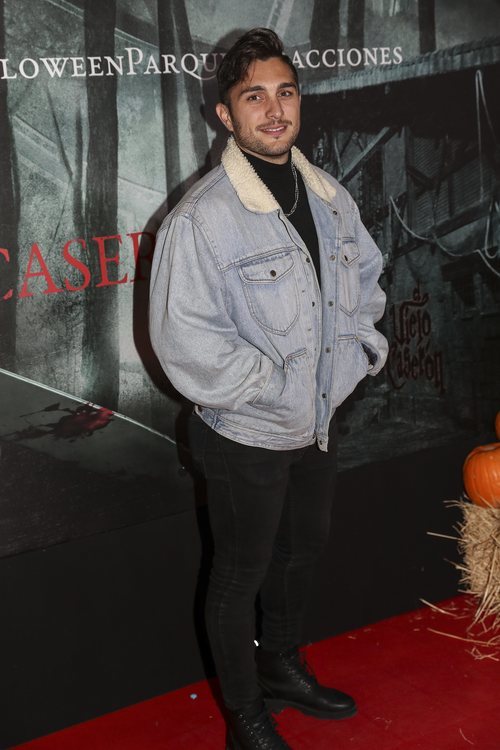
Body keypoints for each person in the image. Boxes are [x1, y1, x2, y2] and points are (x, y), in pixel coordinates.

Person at [150, 28, 388, 750]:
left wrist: (357, 356)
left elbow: (365, 282)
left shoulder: (330, 196)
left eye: (285, 92)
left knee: (300, 553)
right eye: (254, 96)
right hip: (245, 431)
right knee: (239, 576)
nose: (275, 110)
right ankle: (245, 716)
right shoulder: (201, 219)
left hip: (317, 421)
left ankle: (280, 666)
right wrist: (275, 386)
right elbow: (183, 340)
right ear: (226, 114)